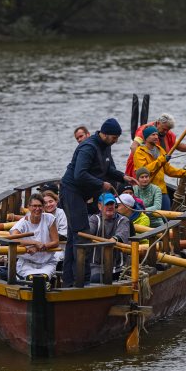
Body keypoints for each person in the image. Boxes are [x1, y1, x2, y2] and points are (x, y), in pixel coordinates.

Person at [60, 118, 136, 287]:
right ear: (106, 134)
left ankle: (68, 281)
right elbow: (80, 174)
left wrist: (123, 177)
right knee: (82, 234)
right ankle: (82, 280)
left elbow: (106, 169)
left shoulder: (105, 146)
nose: (116, 141)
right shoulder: (88, 147)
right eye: (115, 137)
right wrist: (101, 184)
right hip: (71, 191)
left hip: (83, 192)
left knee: (74, 236)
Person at [131, 125, 186, 210]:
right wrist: (161, 160)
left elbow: (168, 170)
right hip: (147, 191)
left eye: (156, 134)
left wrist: (185, 173)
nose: (156, 136)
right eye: (153, 135)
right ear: (146, 138)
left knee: (166, 217)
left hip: (161, 190)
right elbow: (144, 171)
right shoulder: (139, 152)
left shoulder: (160, 150)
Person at [124, 112, 186, 177]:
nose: (166, 132)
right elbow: (133, 146)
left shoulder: (167, 134)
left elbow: (176, 145)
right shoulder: (146, 130)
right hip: (140, 171)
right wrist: (142, 169)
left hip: (157, 171)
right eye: (164, 129)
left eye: (168, 130)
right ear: (158, 123)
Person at [8, 193, 59, 279]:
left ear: (43, 207)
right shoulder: (22, 223)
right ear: (29, 207)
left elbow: (56, 242)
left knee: (43, 279)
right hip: (26, 263)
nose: (37, 209)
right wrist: (34, 243)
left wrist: (40, 247)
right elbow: (13, 240)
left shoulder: (49, 219)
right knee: (32, 279)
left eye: (40, 206)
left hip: (47, 262)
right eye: (34, 206)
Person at [87, 193, 131, 283]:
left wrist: (113, 240)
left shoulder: (123, 220)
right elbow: (88, 232)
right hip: (97, 266)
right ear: (99, 206)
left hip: (119, 267)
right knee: (95, 280)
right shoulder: (94, 219)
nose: (110, 207)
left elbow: (121, 233)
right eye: (107, 204)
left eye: (112, 204)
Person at [41, 189, 68, 264]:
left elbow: (63, 234)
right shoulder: (40, 214)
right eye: (45, 203)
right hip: (41, 246)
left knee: (56, 257)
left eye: (51, 201)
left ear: (56, 201)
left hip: (58, 247)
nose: (49, 205)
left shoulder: (61, 213)